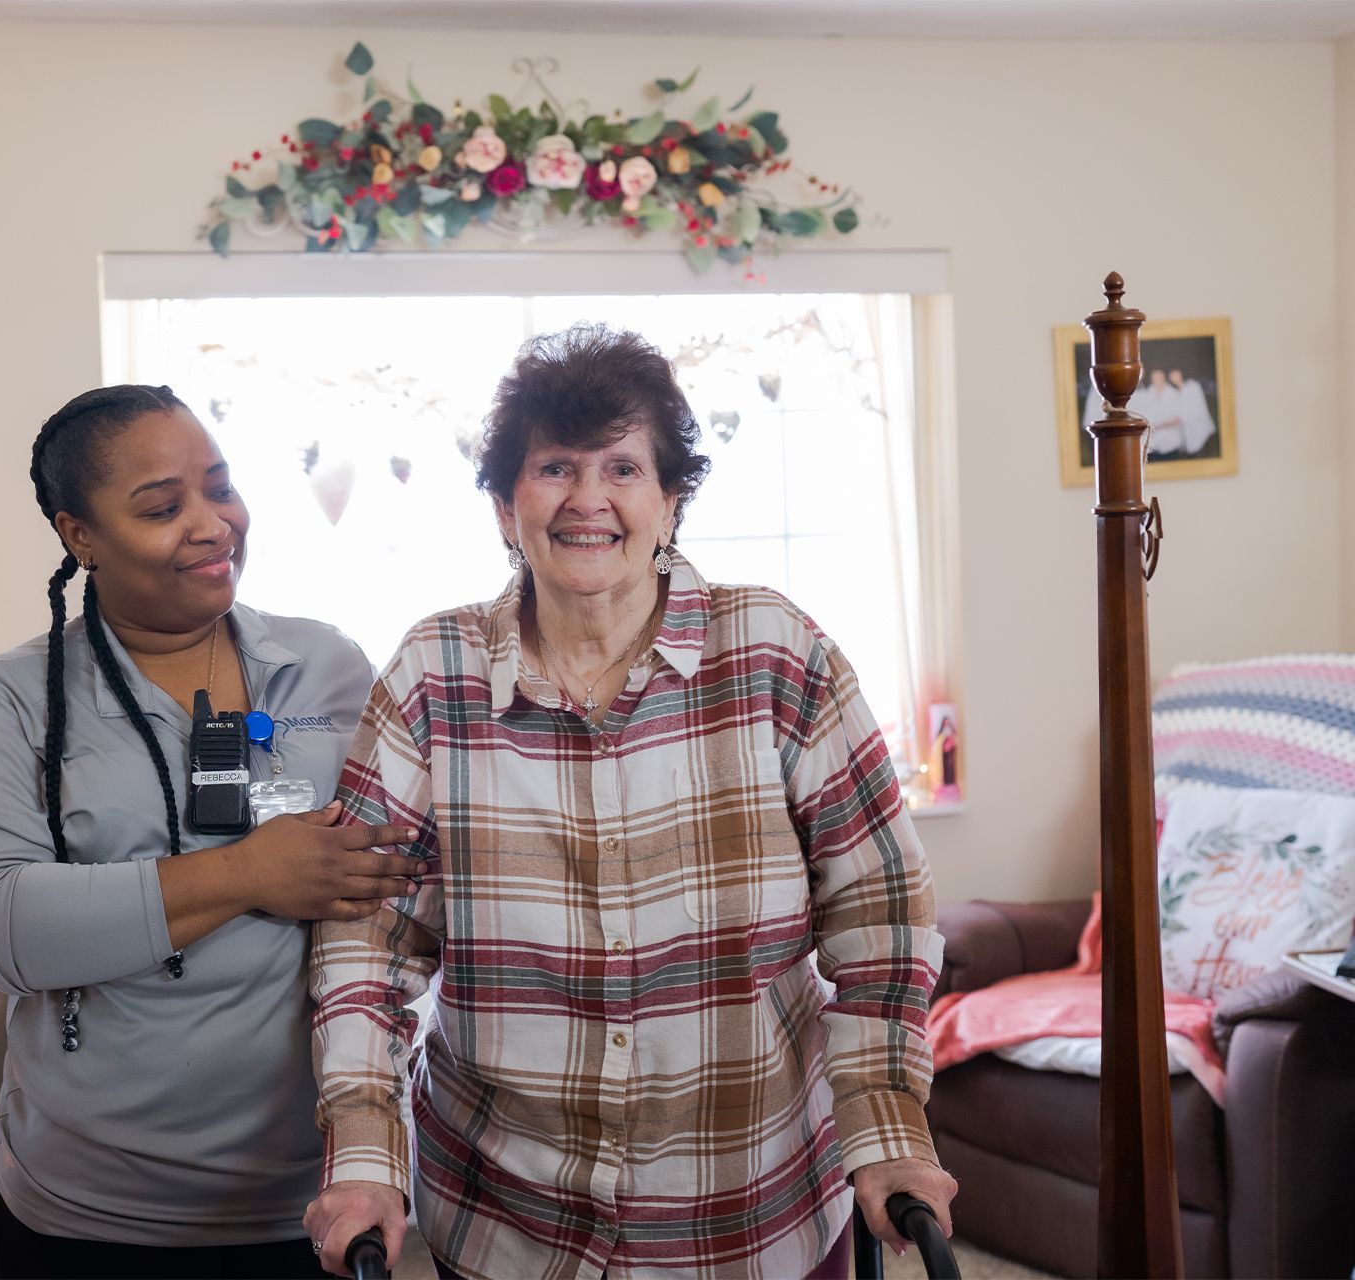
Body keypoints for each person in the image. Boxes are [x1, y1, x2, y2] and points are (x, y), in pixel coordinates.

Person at [303, 326, 956, 1280]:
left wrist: (887, 1123)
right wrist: (366, 1151)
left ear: (670, 500)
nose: (589, 499)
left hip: (754, 1214)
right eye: (554, 467)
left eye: (623, 467)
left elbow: (881, 917)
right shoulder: (431, 673)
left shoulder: (775, 652)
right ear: (504, 505)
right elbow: (370, 945)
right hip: (506, 1221)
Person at [0, 384, 424, 1280]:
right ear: (80, 537)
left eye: (220, 487)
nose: (212, 523)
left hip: (315, 1203)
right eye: (162, 506)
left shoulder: (327, 669)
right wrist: (246, 875)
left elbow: (389, 884)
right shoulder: (8, 702)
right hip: (89, 1217)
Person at [1168, 368, 1216, 457]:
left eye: (1176, 374)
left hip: (1204, 435)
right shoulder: (1175, 393)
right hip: (1190, 439)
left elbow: (1197, 408)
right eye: (1171, 376)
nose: (1174, 377)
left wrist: (1179, 419)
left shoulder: (1192, 386)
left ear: (1181, 373)